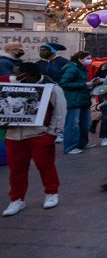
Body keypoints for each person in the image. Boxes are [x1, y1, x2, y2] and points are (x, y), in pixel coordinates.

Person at [2, 62, 66, 217]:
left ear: (28, 75)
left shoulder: (51, 88)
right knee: (16, 170)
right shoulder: (9, 86)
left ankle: (51, 193)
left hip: (39, 135)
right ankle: (17, 199)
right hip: (14, 135)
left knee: (45, 166)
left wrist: (52, 133)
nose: (14, 77)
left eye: (17, 74)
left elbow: (60, 111)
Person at [59, 51, 95, 155]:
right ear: (80, 59)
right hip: (74, 100)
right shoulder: (72, 68)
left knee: (85, 123)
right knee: (72, 124)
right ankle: (70, 147)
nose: (90, 60)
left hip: (83, 99)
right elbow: (64, 83)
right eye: (88, 58)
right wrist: (84, 84)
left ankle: (82, 143)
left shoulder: (81, 68)